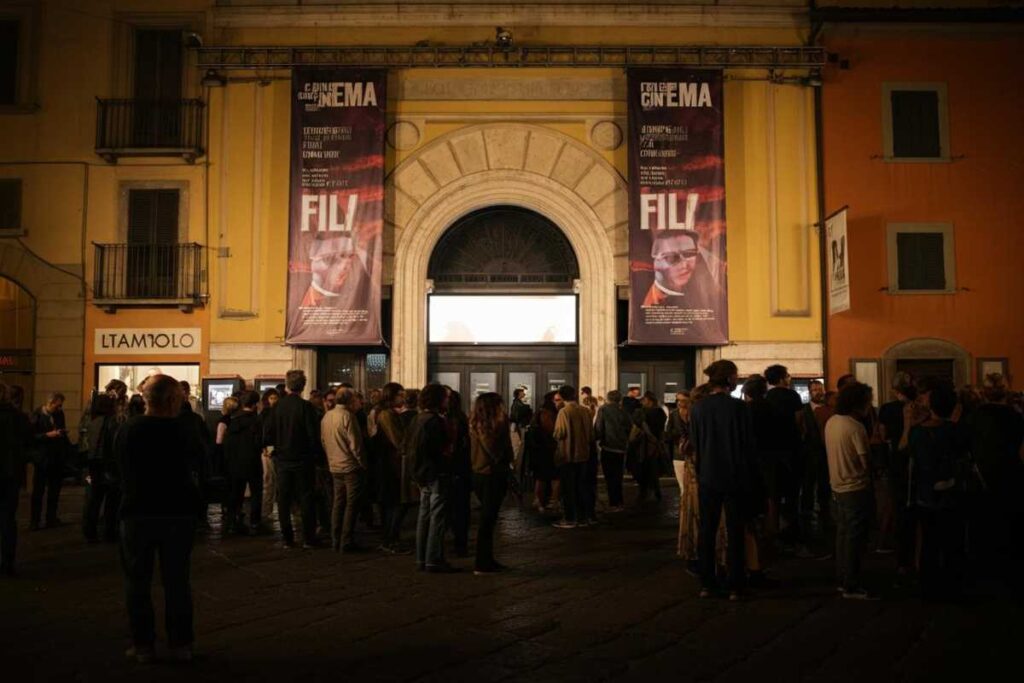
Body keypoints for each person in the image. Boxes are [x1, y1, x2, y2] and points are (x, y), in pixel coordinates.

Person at [116, 375, 202, 663]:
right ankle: (180, 644)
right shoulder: (185, 429)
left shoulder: (128, 429)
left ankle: (143, 645)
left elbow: (115, 468)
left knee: (137, 582)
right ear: (171, 399)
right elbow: (203, 465)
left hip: (137, 512)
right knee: (177, 580)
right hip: (178, 513)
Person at [690, 360, 757, 600]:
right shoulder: (739, 409)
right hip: (735, 476)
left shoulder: (697, 409)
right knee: (735, 531)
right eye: (735, 376)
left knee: (707, 531)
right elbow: (748, 446)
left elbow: (696, 445)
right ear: (729, 379)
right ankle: (735, 584)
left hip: (708, 475)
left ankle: (707, 583)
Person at [904, 379, 966, 600]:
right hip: (951, 492)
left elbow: (912, 459)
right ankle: (952, 583)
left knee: (929, 540)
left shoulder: (917, 433)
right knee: (951, 540)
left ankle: (928, 585)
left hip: (925, 492)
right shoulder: (955, 430)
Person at [963, 373, 1024, 584]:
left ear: (985, 393)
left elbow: (966, 446)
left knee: (982, 522)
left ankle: (983, 566)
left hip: (982, 474)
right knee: (1008, 520)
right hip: (1011, 473)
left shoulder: (974, 416)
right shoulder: (1016, 416)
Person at [825, 381, 878, 600]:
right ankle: (852, 584)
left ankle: (842, 579)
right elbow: (866, 462)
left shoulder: (832, 422)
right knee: (855, 539)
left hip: (837, 486)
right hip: (856, 487)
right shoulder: (856, 427)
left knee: (843, 535)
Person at [267, 369, 322, 549]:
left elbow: (268, 433)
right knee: (306, 497)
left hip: (282, 459)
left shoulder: (277, 407)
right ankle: (308, 537)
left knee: (284, 498)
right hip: (303, 459)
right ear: (303, 385)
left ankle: (287, 537)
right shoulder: (306, 407)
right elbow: (313, 435)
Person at [638, 230, 726, 341]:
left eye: (689, 254)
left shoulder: (710, 295)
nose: (684, 265)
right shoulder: (642, 301)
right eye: (671, 257)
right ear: (655, 263)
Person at [411, 384, 456, 573]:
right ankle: (433, 559)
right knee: (437, 517)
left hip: (421, 473)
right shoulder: (435, 421)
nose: (448, 401)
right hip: (436, 472)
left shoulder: (418, 419)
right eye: (445, 397)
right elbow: (438, 449)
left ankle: (421, 558)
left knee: (424, 515)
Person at [469, 392, 513, 575]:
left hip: (481, 473)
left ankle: (487, 559)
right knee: (488, 519)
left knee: (489, 519)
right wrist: (505, 459)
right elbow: (493, 449)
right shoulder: (488, 426)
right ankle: (482, 562)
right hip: (490, 474)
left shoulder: (474, 424)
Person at [877, 372, 917, 573]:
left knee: (893, 502)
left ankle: (887, 541)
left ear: (894, 390)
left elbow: (882, 434)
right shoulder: (917, 408)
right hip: (914, 458)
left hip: (894, 458)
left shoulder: (886, 408)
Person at [763, 364, 806, 553]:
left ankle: (773, 533)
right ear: (781, 378)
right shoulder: (792, 396)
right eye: (787, 375)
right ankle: (791, 532)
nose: (789, 378)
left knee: (773, 494)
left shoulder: (767, 397)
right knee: (792, 493)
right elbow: (799, 421)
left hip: (771, 451)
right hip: (791, 450)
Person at [322, 387, 368, 553]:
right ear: (349, 400)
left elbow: (324, 441)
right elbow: (356, 445)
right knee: (351, 505)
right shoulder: (348, 416)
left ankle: (335, 539)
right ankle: (346, 540)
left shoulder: (327, 416)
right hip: (349, 466)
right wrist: (363, 463)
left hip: (334, 465)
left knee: (338, 503)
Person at [373, 383, 410, 553]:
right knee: (395, 503)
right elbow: (398, 440)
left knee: (393, 503)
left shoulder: (387, 413)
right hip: (390, 465)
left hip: (389, 463)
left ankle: (390, 538)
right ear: (392, 396)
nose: (403, 398)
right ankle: (390, 540)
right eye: (400, 395)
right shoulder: (387, 415)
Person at [223, 391, 264, 535]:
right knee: (256, 492)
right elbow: (260, 441)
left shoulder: (235, 421)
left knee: (236, 493)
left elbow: (228, 443)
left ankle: (234, 520)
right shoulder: (257, 421)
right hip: (253, 461)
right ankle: (255, 521)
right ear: (254, 405)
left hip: (236, 462)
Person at [0, 382, 31, 577]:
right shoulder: (17, 417)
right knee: (7, 520)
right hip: (9, 475)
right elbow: (28, 442)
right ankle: (7, 562)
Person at [552, 386, 592, 529]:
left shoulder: (564, 412)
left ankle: (570, 518)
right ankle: (583, 517)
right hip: (583, 454)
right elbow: (590, 434)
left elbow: (559, 433)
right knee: (581, 487)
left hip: (568, 455)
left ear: (562, 397)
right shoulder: (585, 411)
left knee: (568, 488)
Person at [83, 393, 121, 543]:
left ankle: (90, 532)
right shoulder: (112, 422)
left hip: (93, 464)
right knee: (111, 501)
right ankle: (109, 532)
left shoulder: (91, 421)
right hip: (108, 465)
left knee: (93, 501)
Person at [29, 392, 69, 530]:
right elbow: (31, 437)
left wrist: (62, 433)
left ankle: (51, 518)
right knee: (38, 491)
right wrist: (47, 435)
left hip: (56, 458)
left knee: (54, 490)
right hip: (42, 458)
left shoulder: (59, 414)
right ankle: (35, 521)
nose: (59, 408)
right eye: (57, 406)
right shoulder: (37, 415)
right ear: (50, 403)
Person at [594, 390, 632, 512]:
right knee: (618, 476)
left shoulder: (603, 410)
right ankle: (619, 501)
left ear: (608, 398)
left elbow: (599, 428)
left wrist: (596, 439)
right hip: (621, 448)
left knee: (610, 476)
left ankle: (613, 503)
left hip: (608, 447)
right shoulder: (623, 411)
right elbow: (629, 427)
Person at [446, 390, 472, 557]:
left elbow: (454, 445)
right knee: (458, 508)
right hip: (459, 468)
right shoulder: (458, 417)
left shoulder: (454, 419)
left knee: (458, 508)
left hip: (456, 469)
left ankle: (459, 544)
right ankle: (459, 542)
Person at [527, 391, 561, 512]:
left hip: (540, 449)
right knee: (553, 476)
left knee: (541, 476)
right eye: (557, 400)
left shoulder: (540, 412)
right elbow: (552, 431)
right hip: (547, 449)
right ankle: (550, 500)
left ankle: (539, 500)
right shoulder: (548, 414)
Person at [633, 391, 667, 503]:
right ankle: (655, 491)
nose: (643, 401)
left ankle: (644, 491)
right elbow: (661, 428)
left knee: (644, 467)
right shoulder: (660, 412)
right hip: (654, 443)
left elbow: (636, 425)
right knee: (653, 467)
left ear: (649, 400)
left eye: (644, 400)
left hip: (644, 444)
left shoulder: (642, 412)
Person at [257, 388, 280, 526]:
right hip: (268, 449)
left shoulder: (274, 413)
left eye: (275, 398)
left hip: (274, 448)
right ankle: (266, 510)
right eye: (271, 398)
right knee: (268, 480)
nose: (273, 400)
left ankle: (267, 510)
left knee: (271, 480)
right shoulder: (265, 414)